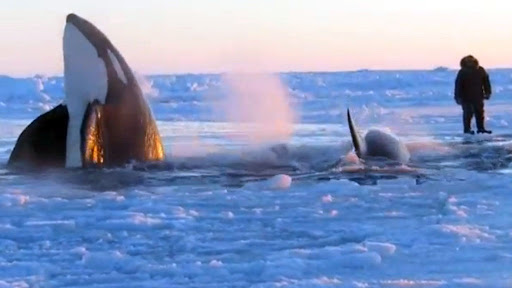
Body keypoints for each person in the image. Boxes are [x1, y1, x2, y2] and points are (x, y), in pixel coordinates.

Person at [454, 55, 492, 134]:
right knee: (468, 113)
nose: (470, 62)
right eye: (468, 61)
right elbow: (458, 85)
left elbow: (486, 82)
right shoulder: (462, 72)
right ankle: (467, 130)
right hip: (466, 97)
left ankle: (481, 129)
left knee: (480, 113)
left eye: (471, 61)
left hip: (478, 96)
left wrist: (488, 92)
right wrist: (458, 97)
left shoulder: (480, 70)